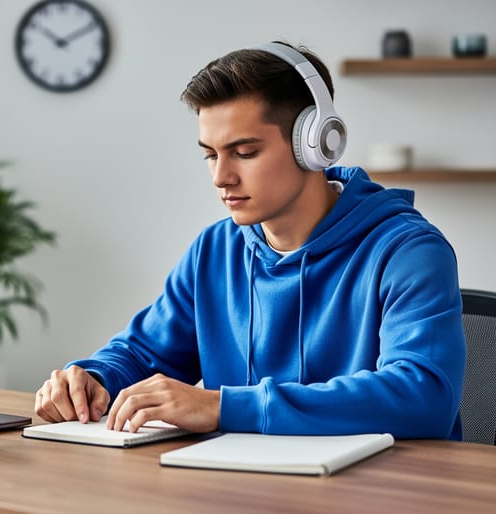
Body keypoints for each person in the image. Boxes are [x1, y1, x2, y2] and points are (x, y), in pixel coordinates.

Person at [34, 41, 466, 439]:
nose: (222, 177)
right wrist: (92, 378)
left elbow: (423, 397)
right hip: (241, 488)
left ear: (314, 145)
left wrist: (225, 406)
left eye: (244, 152)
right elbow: (143, 353)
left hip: (377, 492)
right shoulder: (216, 252)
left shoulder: (408, 251)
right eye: (210, 154)